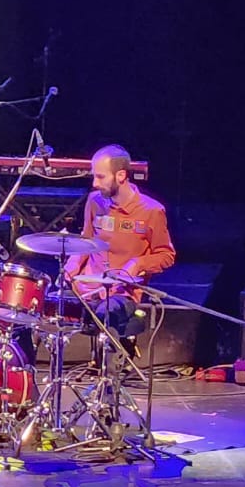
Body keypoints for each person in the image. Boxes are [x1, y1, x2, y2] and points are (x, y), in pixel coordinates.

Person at [65, 144, 176, 343]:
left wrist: (138, 264)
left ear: (121, 176)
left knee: (104, 313)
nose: (94, 183)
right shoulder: (94, 201)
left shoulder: (152, 211)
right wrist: (71, 266)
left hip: (122, 293)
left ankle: (106, 367)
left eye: (100, 177)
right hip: (86, 286)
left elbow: (166, 255)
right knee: (36, 309)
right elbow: (86, 240)